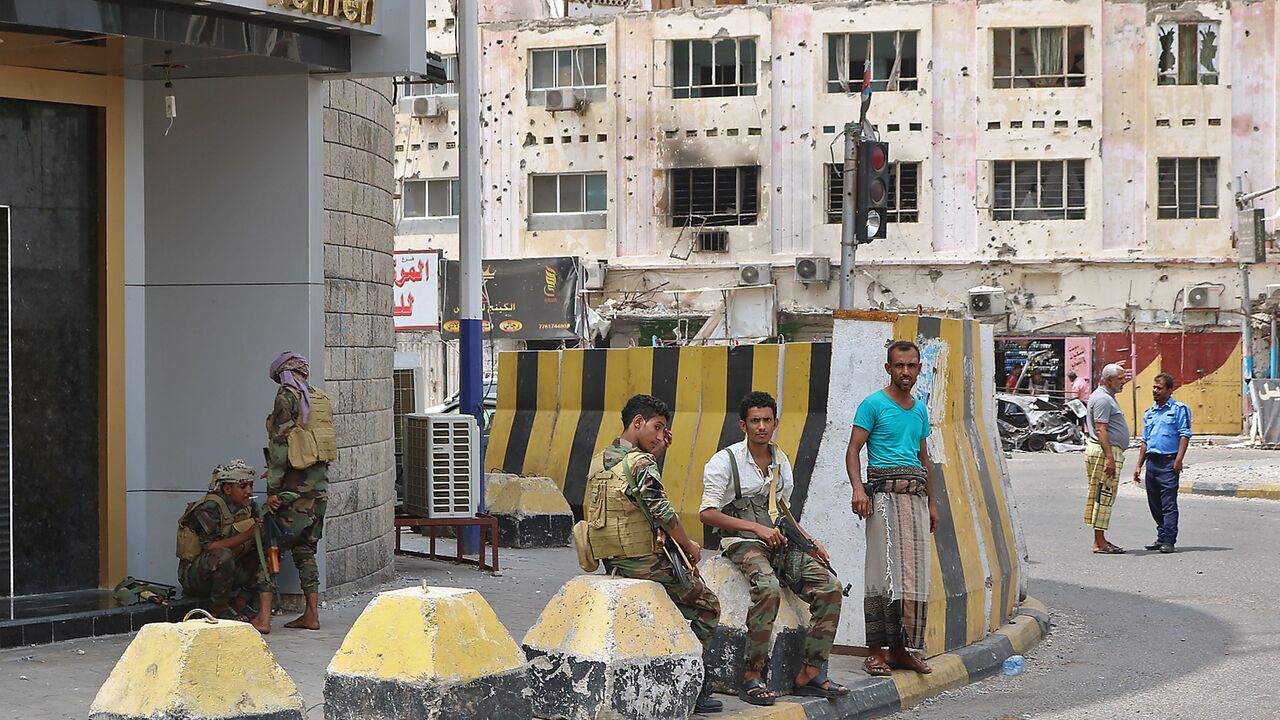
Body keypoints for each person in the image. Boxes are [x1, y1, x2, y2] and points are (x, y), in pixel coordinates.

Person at [699, 392, 849, 706]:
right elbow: (707, 512)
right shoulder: (725, 461)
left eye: (767, 420)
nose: (762, 427)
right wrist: (755, 528)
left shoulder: (780, 460)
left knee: (830, 587)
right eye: (755, 421)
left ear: (776, 422)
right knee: (767, 589)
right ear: (743, 424)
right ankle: (752, 675)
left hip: (779, 541)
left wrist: (810, 543)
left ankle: (810, 672)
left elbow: (783, 511)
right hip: (743, 543)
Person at [584, 394, 723, 714]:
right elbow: (662, 511)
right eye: (657, 428)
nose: (661, 436)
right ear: (637, 423)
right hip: (642, 562)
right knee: (708, 606)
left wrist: (654, 453)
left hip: (612, 558)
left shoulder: (601, 459)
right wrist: (689, 546)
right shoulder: (641, 463)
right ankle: (695, 685)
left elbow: (630, 502)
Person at [846, 341, 939, 677]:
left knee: (911, 576)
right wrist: (859, 489)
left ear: (918, 369)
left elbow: (924, 458)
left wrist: (932, 503)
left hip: (914, 501)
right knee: (881, 574)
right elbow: (854, 450)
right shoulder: (872, 405)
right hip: (883, 498)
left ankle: (901, 651)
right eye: (899, 366)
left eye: (912, 366)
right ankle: (875, 652)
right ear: (888, 368)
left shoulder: (919, 410)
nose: (905, 372)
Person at [265, 352, 337, 630]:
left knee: (269, 546)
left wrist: (272, 486)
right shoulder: (318, 398)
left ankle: (263, 616)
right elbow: (311, 447)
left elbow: (282, 444)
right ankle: (311, 614)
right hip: (318, 489)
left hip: (294, 492)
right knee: (305, 550)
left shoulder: (287, 397)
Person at [176, 460, 273, 633]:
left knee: (268, 554)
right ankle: (218, 609)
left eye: (251, 485)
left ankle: (240, 603)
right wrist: (247, 535)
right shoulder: (209, 508)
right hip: (196, 575)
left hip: (229, 571)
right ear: (228, 489)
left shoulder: (249, 506)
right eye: (243, 487)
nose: (249, 491)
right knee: (223, 555)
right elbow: (210, 547)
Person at [1132, 373, 1192, 554]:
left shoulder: (1179, 409)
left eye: (1159, 388)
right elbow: (1145, 441)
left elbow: (1184, 434)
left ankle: (1169, 540)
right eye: (1154, 388)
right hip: (1152, 463)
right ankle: (1161, 536)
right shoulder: (1150, 412)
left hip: (1168, 463)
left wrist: (1178, 460)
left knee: (1168, 504)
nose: (1155, 391)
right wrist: (1138, 465)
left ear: (1169, 390)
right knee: (1155, 503)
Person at [1085, 363, 1130, 555]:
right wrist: (1110, 458)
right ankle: (1099, 542)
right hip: (1106, 452)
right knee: (1104, 496)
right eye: (1120, 378)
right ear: (1108, 379)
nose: (1124, 381)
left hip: (1106, 451)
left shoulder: (1105, 397)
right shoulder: (1103, 399)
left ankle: (1100, 539)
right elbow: (1101, 429)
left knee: (1102, 496)